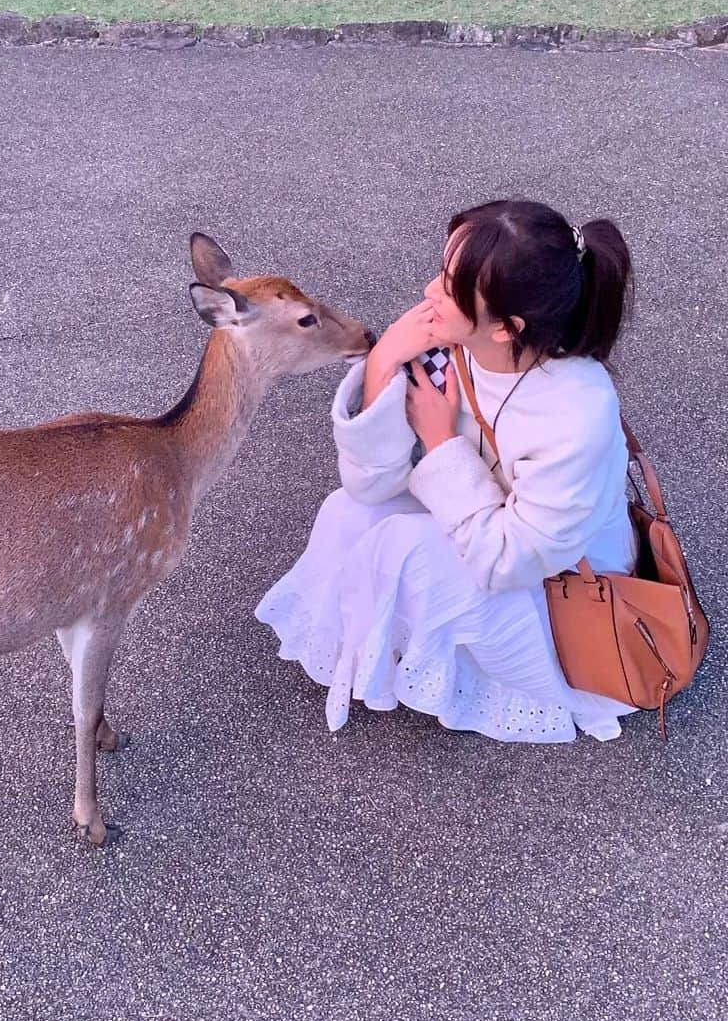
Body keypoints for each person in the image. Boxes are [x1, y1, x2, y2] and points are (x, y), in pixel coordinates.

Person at [256, 199, 638, 743]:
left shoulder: (576, 414)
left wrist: (438, 443)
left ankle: (491, 674)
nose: (431, 291)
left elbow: (511, 561)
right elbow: (368, 485)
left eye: (451, 285)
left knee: (403, 548)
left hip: (560, 587)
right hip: (479, 518)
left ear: (506, 327)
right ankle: (405, 650)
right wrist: (385, 360)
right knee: (347, 514)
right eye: (441, 269)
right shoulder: (448, 349)